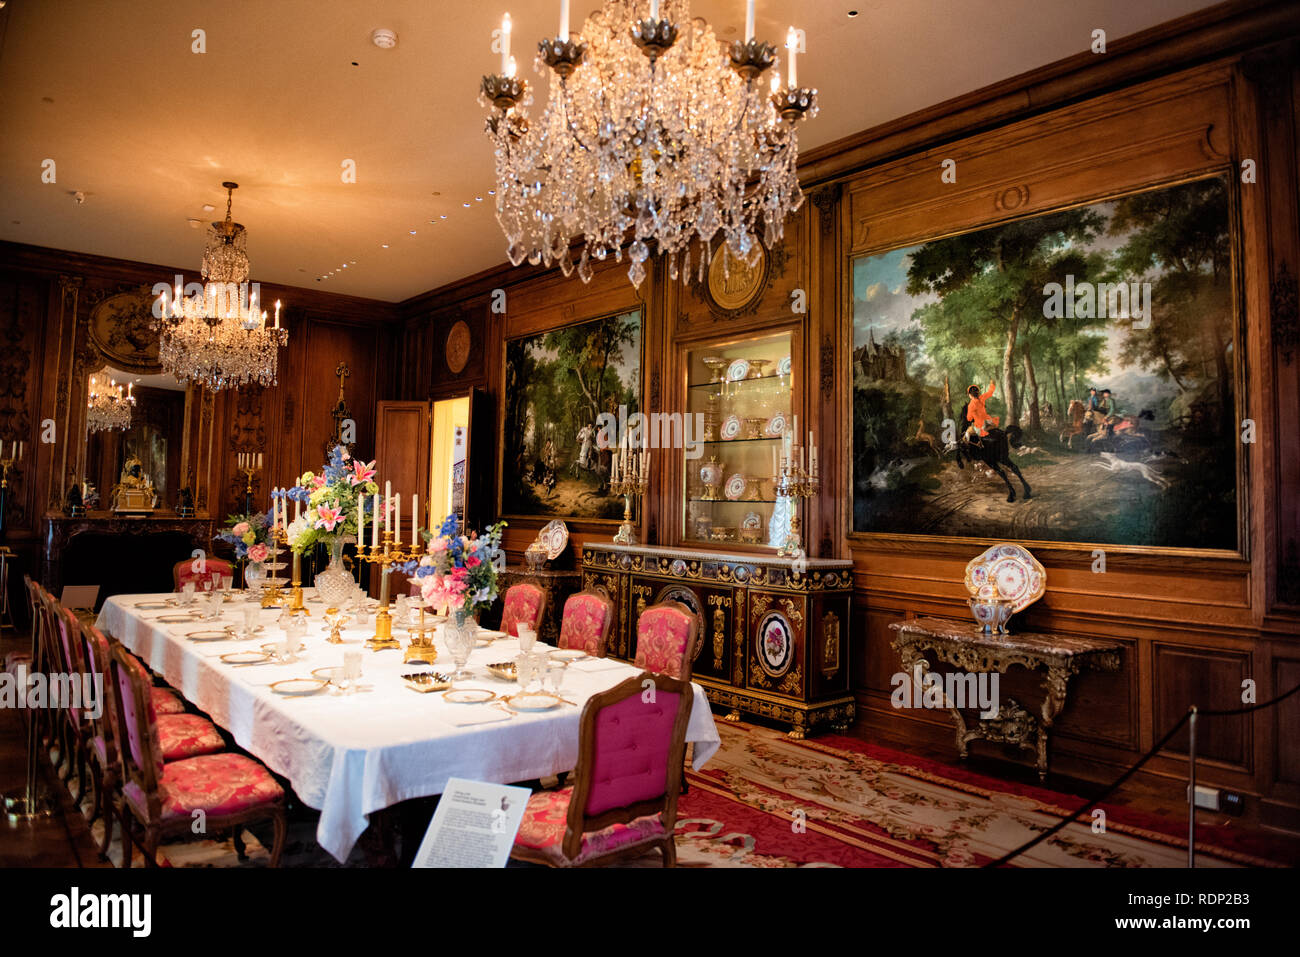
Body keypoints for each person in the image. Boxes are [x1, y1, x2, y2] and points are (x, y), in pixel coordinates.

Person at [963, 380, 999, 446]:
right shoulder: (982, 397)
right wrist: (992, 384)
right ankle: (989, 428)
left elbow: (969, 419)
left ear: (970, 395)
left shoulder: (971, 405)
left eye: (968, 394)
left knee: (967, 432)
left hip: (981, 425)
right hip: (989, 420)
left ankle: (967, 446)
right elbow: (990, 392)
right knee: (993, 423)